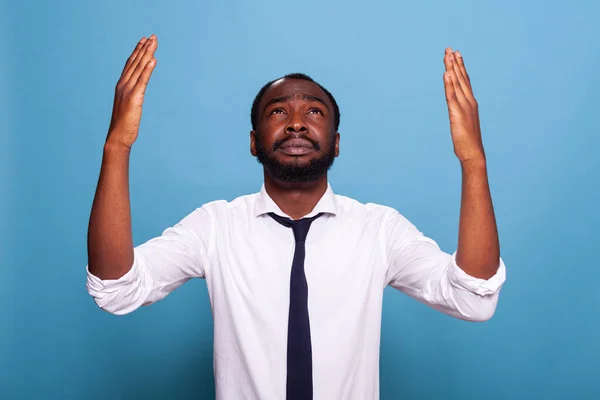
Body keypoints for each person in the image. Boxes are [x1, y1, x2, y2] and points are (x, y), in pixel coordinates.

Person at [86, 34, 506, 400]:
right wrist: (117, 147)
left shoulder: (379, 230)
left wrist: (474, 162)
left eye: (314, 113)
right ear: (254, 142)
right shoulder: (215, 227)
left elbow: (473, 298)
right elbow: (116, 289)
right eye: (278, 112)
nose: (297, 125)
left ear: (336, 143)